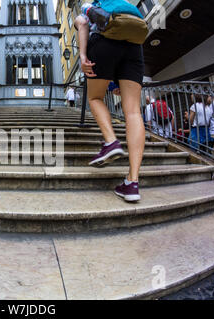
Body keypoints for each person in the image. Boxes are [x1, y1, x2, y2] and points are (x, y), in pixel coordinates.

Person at [75, 2, 145, 202]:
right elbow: (124, 42)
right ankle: (132, 182)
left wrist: (82, 56)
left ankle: (110, 141)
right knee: (133, 112)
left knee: (95, 97)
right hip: (134, 47)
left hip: (104, 42)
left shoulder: (90, 6)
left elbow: (82, 24)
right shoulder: (124, 5)